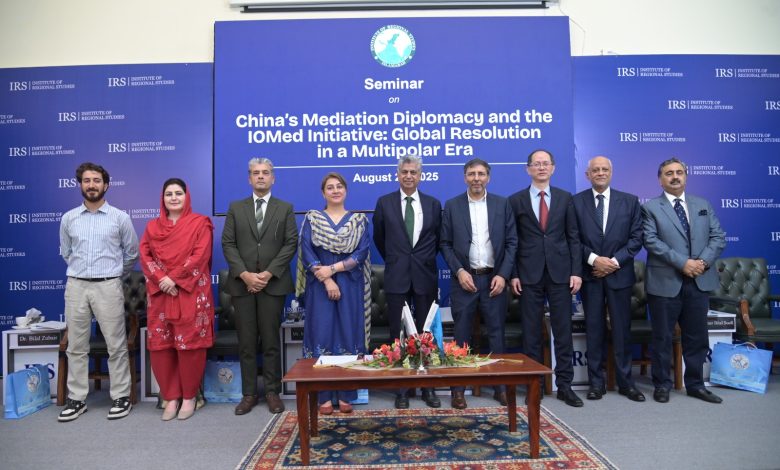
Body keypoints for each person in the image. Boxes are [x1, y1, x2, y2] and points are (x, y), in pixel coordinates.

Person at [58, 162, 139, 422]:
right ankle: (77, 399)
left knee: (116, 345)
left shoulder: (120, 218)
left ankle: (121, 396)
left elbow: (132, 253)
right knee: (76, 346)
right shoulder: (69, 218)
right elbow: (66, 252)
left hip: (108, 285)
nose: (91, 185)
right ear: (80, 184)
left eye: (96, 180)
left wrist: (113, 275)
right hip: (76, 286)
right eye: (86, 180)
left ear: (106, 185)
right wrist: (83, 272)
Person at [642, 157, 726, 404]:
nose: (675, 176)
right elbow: (651, 241)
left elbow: (718, 237)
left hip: (699, 280)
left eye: (679, 172)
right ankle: (662, 385)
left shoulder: (702, 204)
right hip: (665, 282)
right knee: (662, 338)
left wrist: (702, 263)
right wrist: (683, 263)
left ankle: (696, 385)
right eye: (669, 173)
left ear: (686, 176)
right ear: (660, 179)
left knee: (697, 338)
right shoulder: (650, 207)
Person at [222, 157, 298, 415]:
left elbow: (290, 243)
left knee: (271, 341)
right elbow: (228, 244)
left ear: (273, 178)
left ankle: (272, 392)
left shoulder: (285, 208)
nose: (261, 176)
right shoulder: (236, 208)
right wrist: (245, 275)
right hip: (242, 285)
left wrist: (267, 274)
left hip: (272, 284)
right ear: (249, 178)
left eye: (266, 172)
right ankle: (249, 394)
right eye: (256, 173)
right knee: (246, 342)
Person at [509, 149, 583, 407]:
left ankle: (565, 386)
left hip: (560, 273)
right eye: (536, 164)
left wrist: (576, 271)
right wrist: (514, 274)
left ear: (553, 168)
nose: (541, 168)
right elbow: (512, 241)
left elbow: (573, 237)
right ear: (528, 169)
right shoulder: (515, 200)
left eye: (545, 163)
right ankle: (535, 385)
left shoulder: (565, 198)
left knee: (563, 332)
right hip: (528, 275)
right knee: (531, 333)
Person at [440, 158, 517, 409]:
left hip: (494, 280)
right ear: (465, 177)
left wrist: (503, 275)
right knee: (461, 336)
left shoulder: (502, 204)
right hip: (464, 280)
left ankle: (500, 387)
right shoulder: (452, 206)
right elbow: (445, 244)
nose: (476, 178)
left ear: (488, 177)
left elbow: (512, 242)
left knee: (496, 335)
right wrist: (460, 271)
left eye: (481, 174)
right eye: (472, 174)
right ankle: (458, 390)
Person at [139, 178, 215, 420]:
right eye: (169, 194)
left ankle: (190, 396)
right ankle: (171, 397)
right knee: (161, 346)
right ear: (162, 198)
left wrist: (174, 279)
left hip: (190, 293)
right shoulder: (152, 227)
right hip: (161, 294)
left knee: (190, 345)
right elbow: (145, 255)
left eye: (178, 193)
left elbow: (200, 255)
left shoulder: (200, 223)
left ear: (187, 196)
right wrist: (162, 279)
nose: (173, 197)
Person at [297, 172, 371, 415]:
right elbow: (306, 251)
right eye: (330, 187)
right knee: (322, 334)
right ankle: (324, 396)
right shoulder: (312, 219)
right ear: (323, 193)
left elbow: (361, 253)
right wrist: (328, 279)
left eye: (339, 186)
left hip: (350, 284)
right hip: (320, 286)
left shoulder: (359, 221)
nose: (335, 190)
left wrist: (333, 269)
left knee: (348, 334)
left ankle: (347, 394)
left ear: (346, 190)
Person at [572, 157, 645, 402]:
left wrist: (612, 263)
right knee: (594, 330)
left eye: (605, 169)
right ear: (588, 175)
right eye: (595, 170)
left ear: (611, 172)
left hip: (619, 275)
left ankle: (626, 383)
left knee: (622, 330)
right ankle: (596, 383)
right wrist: (595, 260)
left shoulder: (630, 201)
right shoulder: (576, 202)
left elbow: (636, 239)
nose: (600, 173)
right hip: (591, 275)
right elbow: (572, 238)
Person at [373, 154, 442, 409]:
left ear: (420, 175)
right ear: (398, 174)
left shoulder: (433, 204)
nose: (409, 176)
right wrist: (398, 259)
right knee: (398, 334)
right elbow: (380, 238)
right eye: (404, 172)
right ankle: (402, 388)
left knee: (426, 334)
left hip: (425, 275)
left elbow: (436, 240)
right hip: (397, 276)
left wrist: (419, 260)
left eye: (413, 172)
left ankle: (427, 388)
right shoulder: (385, 203)